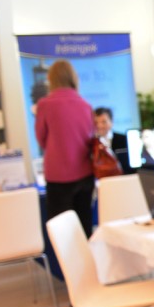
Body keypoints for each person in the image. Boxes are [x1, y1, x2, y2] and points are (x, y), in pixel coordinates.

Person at [34, 59, 96, 236]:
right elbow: (89, 137)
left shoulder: (45, 105)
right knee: (84, 229)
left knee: (61, 233)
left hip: (58, 177)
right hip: (85, 174)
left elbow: (41, 139)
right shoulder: (85, 105)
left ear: (51, 79)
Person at [93, 106, 132, 174]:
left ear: (111, 122)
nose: (99, 126)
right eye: (96, 122)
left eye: (104, 122)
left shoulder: (124, 139)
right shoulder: (90, 143)